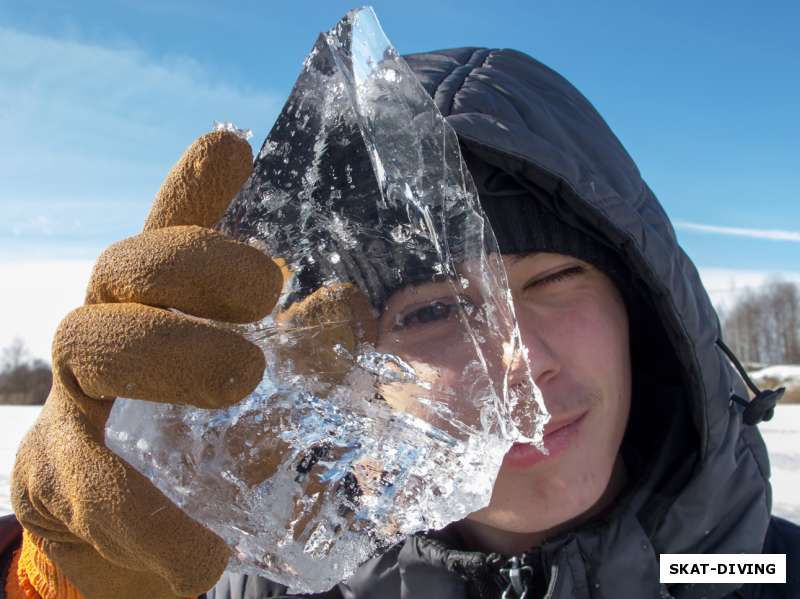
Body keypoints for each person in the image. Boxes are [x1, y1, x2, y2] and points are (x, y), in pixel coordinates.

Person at [1, 47, 798, 599]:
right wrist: (61, 580)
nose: (520, 363)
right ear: (347, 370)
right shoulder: (229, 582)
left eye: (553, 278)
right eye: (435, 310)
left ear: (644, 307)